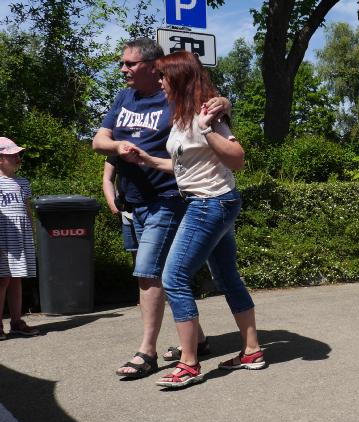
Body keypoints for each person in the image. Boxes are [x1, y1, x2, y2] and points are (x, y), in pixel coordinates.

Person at [130, 51, 264, 388]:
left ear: (178, 78)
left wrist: (208, 129)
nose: (159, 82)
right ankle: (251, 351)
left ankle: (189, 363)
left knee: (173, 277)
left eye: (163, 76)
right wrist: (148, 160)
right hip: (209, 201)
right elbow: (185, 166)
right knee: (227, 276)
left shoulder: (208, 113)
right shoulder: (180, 115)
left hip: (210, 203)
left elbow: (237, 159)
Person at [92, 38, 224, 378]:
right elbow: (98, 141)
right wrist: (118, 146)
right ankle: (199, 340)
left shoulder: (171, 94)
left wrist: (225, 102)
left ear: (154, 67)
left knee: (149, 273)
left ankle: (146, 351)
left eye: (130, 64)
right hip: (133, 203)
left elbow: (211, 102)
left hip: (167, 199)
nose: (123, 69)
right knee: (166, 273)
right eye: (122, 63)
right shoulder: (124, 97)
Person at [0, 137, 39, 340]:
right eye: (12, 155)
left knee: (16, 278)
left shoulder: (22, 182)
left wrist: (31, 231)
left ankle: (16, 321)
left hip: (19, 236)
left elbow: (26, 208)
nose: (17, 157)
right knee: (2, 279)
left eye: (18, 154)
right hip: (3, 236)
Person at [102, 156, 139, 256]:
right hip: (126, 212)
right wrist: (113, 205)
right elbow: (107, 179)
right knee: (135, 252)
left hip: (152, 211)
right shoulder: (117, 149)